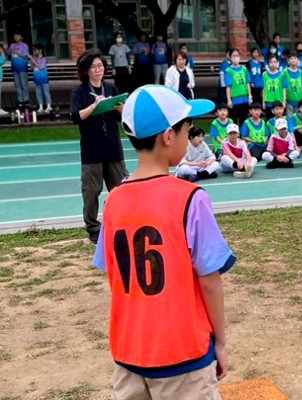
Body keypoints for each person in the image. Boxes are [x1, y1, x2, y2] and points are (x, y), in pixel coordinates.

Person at [93, 85, 233, 399]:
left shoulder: (114, 200)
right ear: (168, 136)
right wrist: (220, 343)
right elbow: (209, 279)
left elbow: (114, 274)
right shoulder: (190, 198)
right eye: (187, 128)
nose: (191, 135)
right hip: (183, 354)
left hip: (130, 351)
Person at [70, 49, 129, 244]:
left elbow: (122, 117)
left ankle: (122, 222)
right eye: (94, 66)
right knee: (91, 190)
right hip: (92, 148)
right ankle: (93, 227)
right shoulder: (79, 92)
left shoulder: (111, 88)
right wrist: (94, 106)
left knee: (121, 188)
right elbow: (76, 117)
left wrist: (121, 109)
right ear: (86, 70)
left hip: (112, 146)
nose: (98, 70)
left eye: (100, 66)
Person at [225, 48, 252, 126]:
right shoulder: (228, 71)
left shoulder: (244, 69)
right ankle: (235, 137)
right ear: (230, 57)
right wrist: (229, 100)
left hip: (244, 98)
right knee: (234, 120)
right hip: (234, 99)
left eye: (237, 55)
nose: (236, 58)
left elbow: (248, 83)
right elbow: (228, 86)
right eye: (234, 56)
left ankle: (243, 137)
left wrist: (250, 96)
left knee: (244, 120)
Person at [7, 32, 30, 108]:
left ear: (21, 37)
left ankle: (26, 100)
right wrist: (5, 48)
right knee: (17, 85)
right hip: (15, 68)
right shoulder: (12, 45)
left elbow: (25, 56)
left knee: (24, 84)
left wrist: (18, 53)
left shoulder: (24, 45)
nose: (16, 37)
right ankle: (20, 100)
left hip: (23, 68)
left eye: (18, 35)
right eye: (15, 35)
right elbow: (8, 54)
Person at [29, 44, 52, 114]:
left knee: (46, 92)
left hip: (43, 78)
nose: (34, 51)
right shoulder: (35, 59)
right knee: (38, 93)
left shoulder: (43, 59)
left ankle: (48, 106)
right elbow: (33, 68)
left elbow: (40, 67)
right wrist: (31, 61)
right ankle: (40, 106)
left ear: (40, 50)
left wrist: (32, 60)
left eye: (35, 50)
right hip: (37, 78)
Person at [284, 52, 302, 116]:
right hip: (289, 101)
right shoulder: (285, 72)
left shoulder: (301, 72)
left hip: (299, 101)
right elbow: (284, 87)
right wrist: (284, 99)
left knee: (299, 119)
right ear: (288, 61)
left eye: (295, 58)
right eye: (291, 58)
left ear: (298, 60)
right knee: (290, 119)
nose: (293, 60)